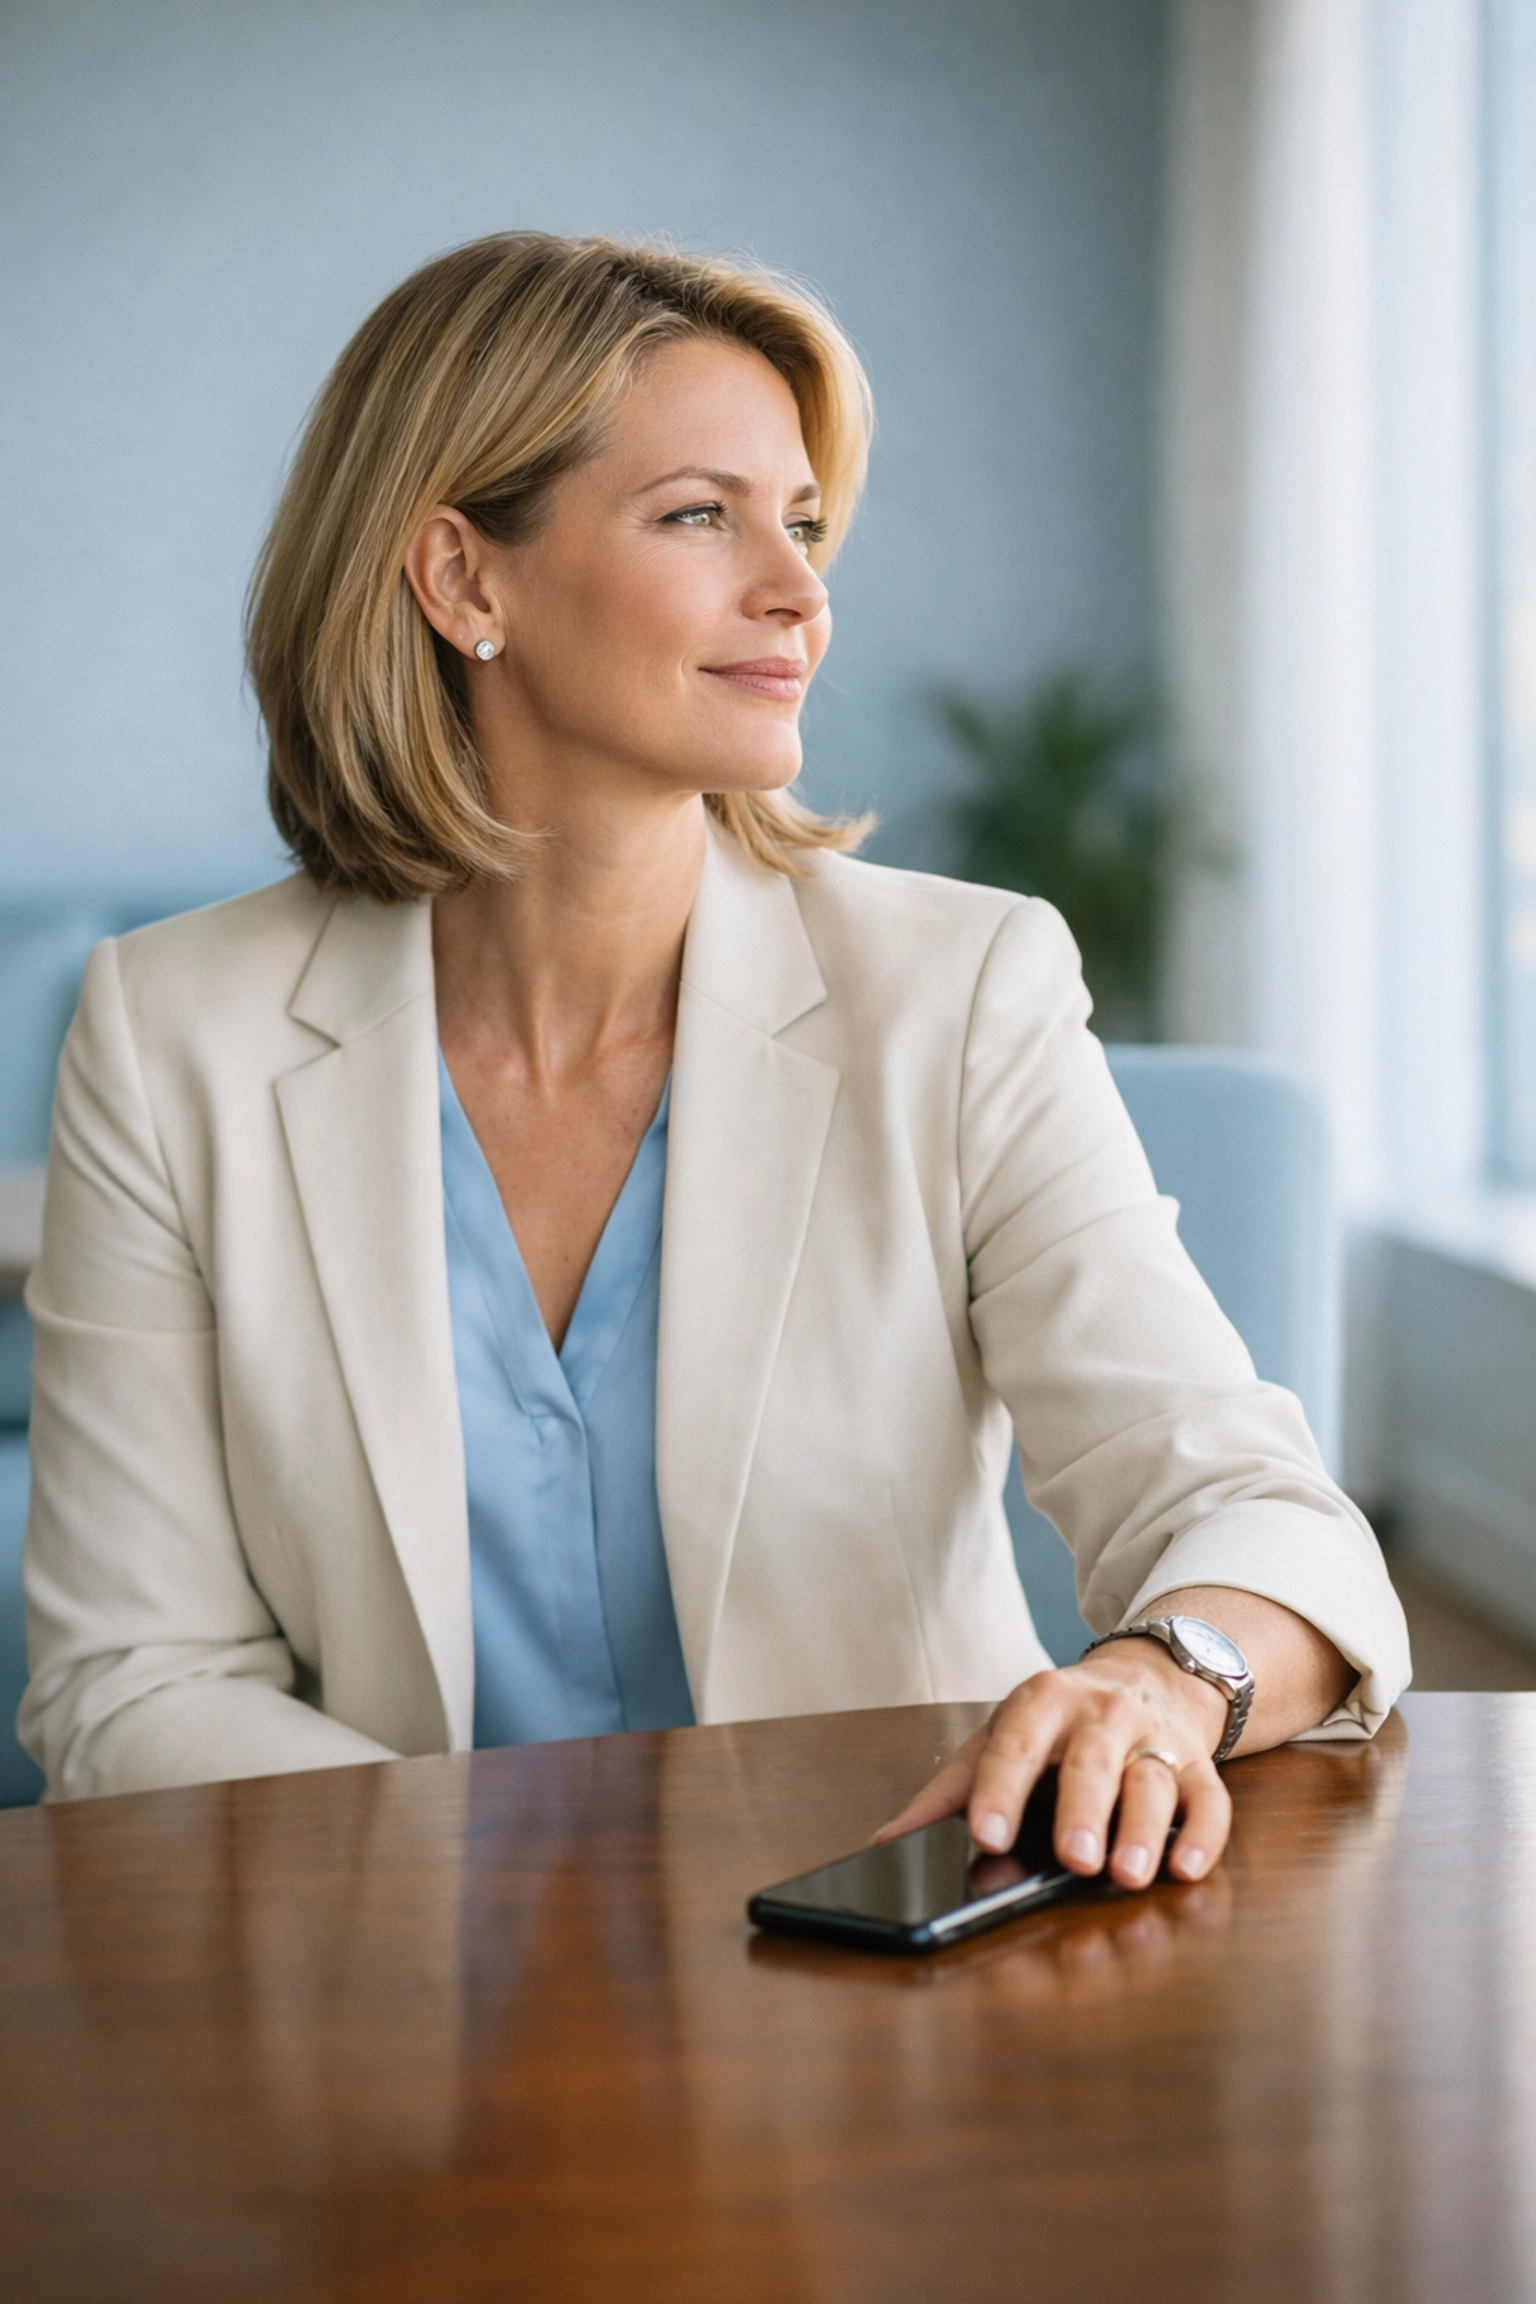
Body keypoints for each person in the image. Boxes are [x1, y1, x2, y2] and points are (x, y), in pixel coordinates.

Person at [20, 233, 1408, 1894]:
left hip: (875, 1993)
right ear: (465, 581)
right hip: (389, 2007)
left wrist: (1165, 1679)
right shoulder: (171, 1032)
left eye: (804, 524)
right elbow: (129, 1689)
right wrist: (523, 1903)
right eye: (702, 515)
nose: (800, 593)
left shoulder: (962, 990)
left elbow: (1271, 1522)